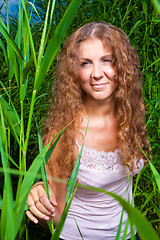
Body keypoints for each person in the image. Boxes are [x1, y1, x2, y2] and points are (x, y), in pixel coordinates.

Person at [26, 22, 150, 240]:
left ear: (122, 65)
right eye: (85, 63)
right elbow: (54, 212)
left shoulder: (134, 112)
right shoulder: (63, 131)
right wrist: (38, 192)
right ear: (74, 71)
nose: (96, 73)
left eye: (106, 60)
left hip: (129, 233)